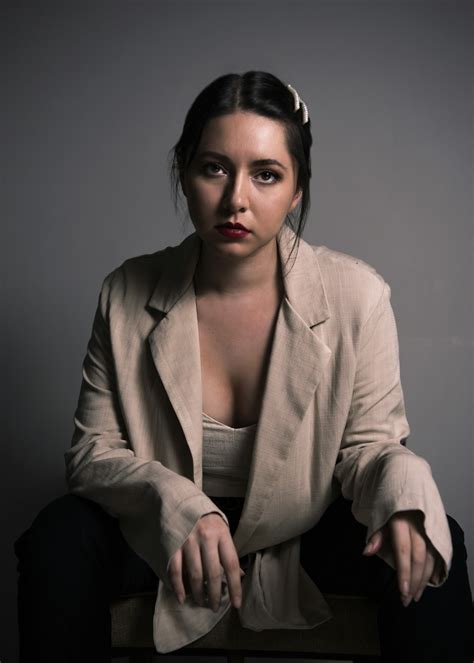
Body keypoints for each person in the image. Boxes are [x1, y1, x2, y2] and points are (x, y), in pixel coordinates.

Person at [14, 71, 473, 662]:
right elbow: (92, 454)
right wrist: (178, 506)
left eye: (266, 174)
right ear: (184, 173)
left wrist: (406, 491)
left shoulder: (357, 294)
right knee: (59, 535)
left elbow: (370, 447)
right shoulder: (126, 291)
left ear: (297, 189)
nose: (237, 199)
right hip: (165, 540)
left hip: (303, 532)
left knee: (432, 533)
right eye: (214, 168)